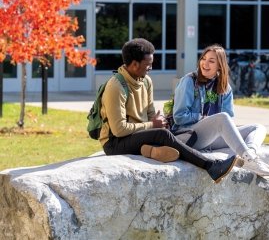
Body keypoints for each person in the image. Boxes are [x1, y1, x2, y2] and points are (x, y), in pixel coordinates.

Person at [99, 38, 244, 184]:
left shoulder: (146, 81)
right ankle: (211, 166)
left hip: (137, 134)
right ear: (135, 64)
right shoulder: (115, 87)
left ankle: (151, 150)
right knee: (162, 134)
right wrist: (152, 125)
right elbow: (119, 130)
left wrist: (160, 121)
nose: (151, 68)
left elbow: (150, 113)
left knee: (164, 132)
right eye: (148, 65)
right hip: (115, 143)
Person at [172, 44, 269, 177]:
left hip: (214, 137)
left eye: (211, 61)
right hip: (191, 136)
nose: (205, 63)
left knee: (258, 127)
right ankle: (249, 158)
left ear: (220, 66)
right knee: (222, 117)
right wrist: (202, 118)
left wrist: (223, 127)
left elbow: (229, 119)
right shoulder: (189, 81)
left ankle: (251, 155)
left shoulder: (224, 87)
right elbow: (179, 117)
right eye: (204, 58)